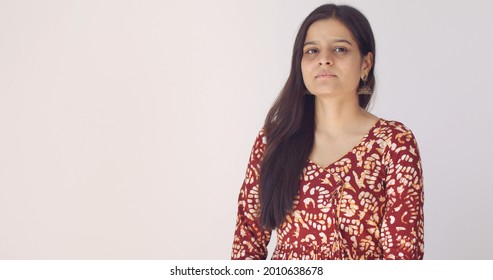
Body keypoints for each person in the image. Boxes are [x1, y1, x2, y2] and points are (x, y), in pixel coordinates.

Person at [231, 4, 424, 260]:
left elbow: (404, 254)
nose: (324, 59)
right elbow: (247, 241)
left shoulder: (393, 143)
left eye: (340, 49)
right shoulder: (274, 139)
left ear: (366, 63)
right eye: (312, 50)